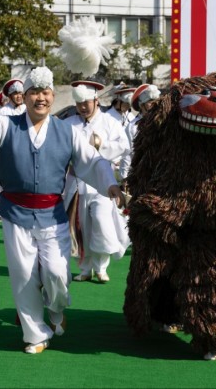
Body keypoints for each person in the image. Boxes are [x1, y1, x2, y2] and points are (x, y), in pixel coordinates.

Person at [0, 66, 125, 355]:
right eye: (34, 93)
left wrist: (111, 186)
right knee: (25, 276)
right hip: (15, 214)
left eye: (45, 92)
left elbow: (93, 162)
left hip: (52, 215)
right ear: (24, 97)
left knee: (56, 273)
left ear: (53, 96)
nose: (40, 98)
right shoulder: (7, 125)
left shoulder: (68, 132)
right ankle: (35, 334)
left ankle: (56, 310)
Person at [64, 81, 130, 283]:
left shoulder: (109, 121)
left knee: (101, 223)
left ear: (96, 100)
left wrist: (101, 145)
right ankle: (84, 267)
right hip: (76, 182)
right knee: (80, 225)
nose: (82, 107)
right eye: (79, 103)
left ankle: (101, 266)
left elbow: (123, 146)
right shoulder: (69, 124)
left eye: (86, 102)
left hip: (101, 183)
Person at [119, 84, 161, 181]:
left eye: (156, 101)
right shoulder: (132, 127)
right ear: (142, 105)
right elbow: (127, 154)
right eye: (150, 101)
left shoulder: (162, 122)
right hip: (141, 175)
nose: (155, 104)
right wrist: (125, 177)